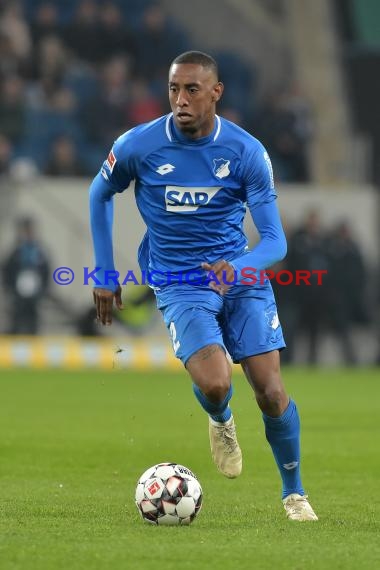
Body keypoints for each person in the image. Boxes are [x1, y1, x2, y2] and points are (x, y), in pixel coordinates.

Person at [89, 51, 318, 521]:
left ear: (216, 93)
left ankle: (294, 495)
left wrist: (239, 267)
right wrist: (103, 271)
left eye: (192, 89)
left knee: (271, 391)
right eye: (174, 89)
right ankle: (221, 419)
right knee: (216, 385)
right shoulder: (139, 145)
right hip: (178, 281)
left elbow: (274, 241)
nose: (180, 100)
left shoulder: (246, 151)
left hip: (239, 277)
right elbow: (100, 193)